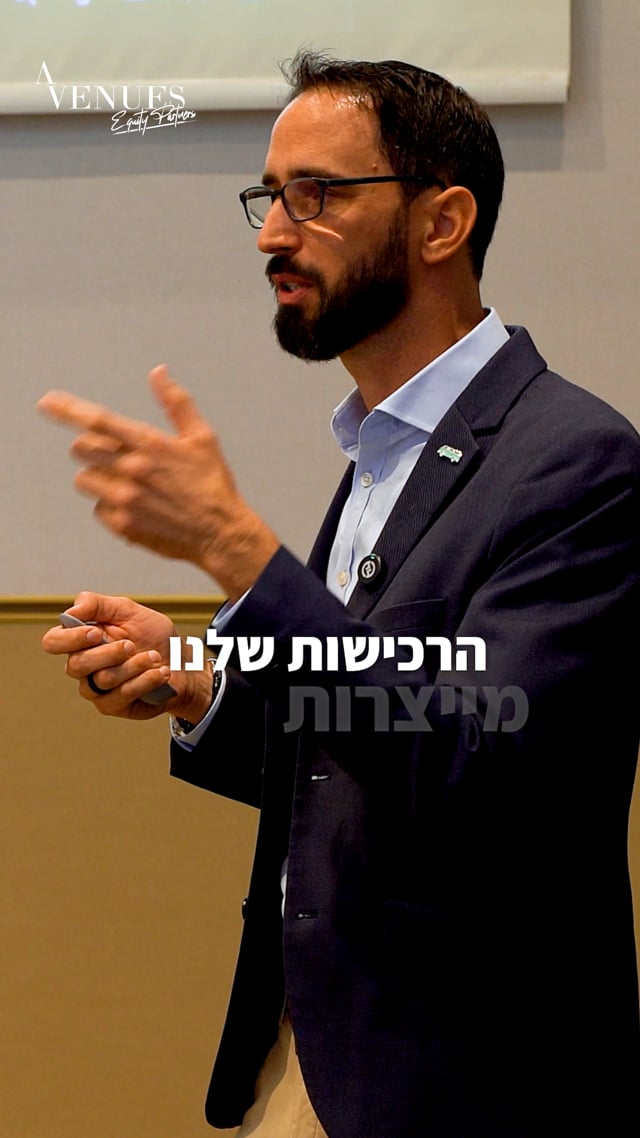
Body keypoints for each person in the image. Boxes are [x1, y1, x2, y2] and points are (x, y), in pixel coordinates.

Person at [40, 50, 639, 1138]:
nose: (273, 234)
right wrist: (207, 689)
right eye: (269, 197)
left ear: (442, 222)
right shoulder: (380, 452)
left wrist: (238, 550)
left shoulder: (576, 462)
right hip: (310, 1053)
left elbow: (484, 766)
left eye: (315, 195)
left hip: (464, 1082)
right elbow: (357, 744)